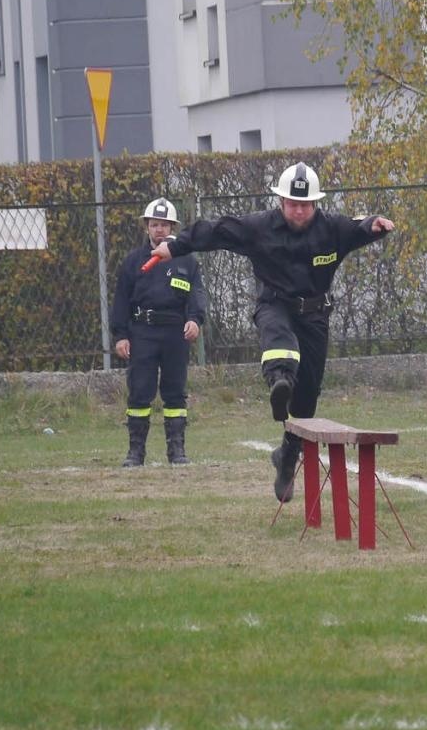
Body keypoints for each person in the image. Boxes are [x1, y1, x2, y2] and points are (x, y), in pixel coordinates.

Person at [147, 162, 395, 501]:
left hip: (315, 315)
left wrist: (375, 225)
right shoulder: (259, 227)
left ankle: (287, 456)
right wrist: (175, 246)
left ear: (315, 203)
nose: (299, 211)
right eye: (292, 204)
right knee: (281, 343)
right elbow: (217, 230)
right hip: (274, 304)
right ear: (280, 201)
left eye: (305, 205)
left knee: (307, 400)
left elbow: (359, 226)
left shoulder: (331, 229)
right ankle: (279, 380)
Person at [111, 197, 205, 466]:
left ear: (172, 227)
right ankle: (135, 453)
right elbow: (121, 300)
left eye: (164, 224)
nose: (159, 229)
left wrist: (195, 320)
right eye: (154, 224)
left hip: (175, 334)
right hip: (143, 332)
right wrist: (121, 335)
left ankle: (177, 451)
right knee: (140, 391)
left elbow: (196, 295)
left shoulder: (187, 261)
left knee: (175, 391)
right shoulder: (133, 261)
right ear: (147, 227)